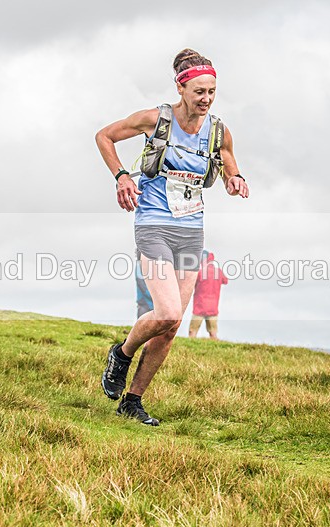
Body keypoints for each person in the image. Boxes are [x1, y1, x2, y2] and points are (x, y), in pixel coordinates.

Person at [95, 48, 249, 426]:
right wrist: (122, 177)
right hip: (153, 223)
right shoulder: (155, 119)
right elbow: (104, 136)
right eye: (199, 91)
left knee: (173, 325)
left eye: (211, 91)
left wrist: (235, 177)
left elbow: (228, 156)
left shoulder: (217, 130)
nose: (206, 99)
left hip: (191, 230)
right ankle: (123, 353)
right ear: (182, 88)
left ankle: (133, 400)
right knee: (166, 311)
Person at [188, 250, 228, 340]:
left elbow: (190, 284)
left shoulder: (200, 272)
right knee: (213, 333)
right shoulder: (218, 272)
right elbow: (225, 281)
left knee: (192, 332)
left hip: (200, 306)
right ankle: (217, 351)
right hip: (213, 307)